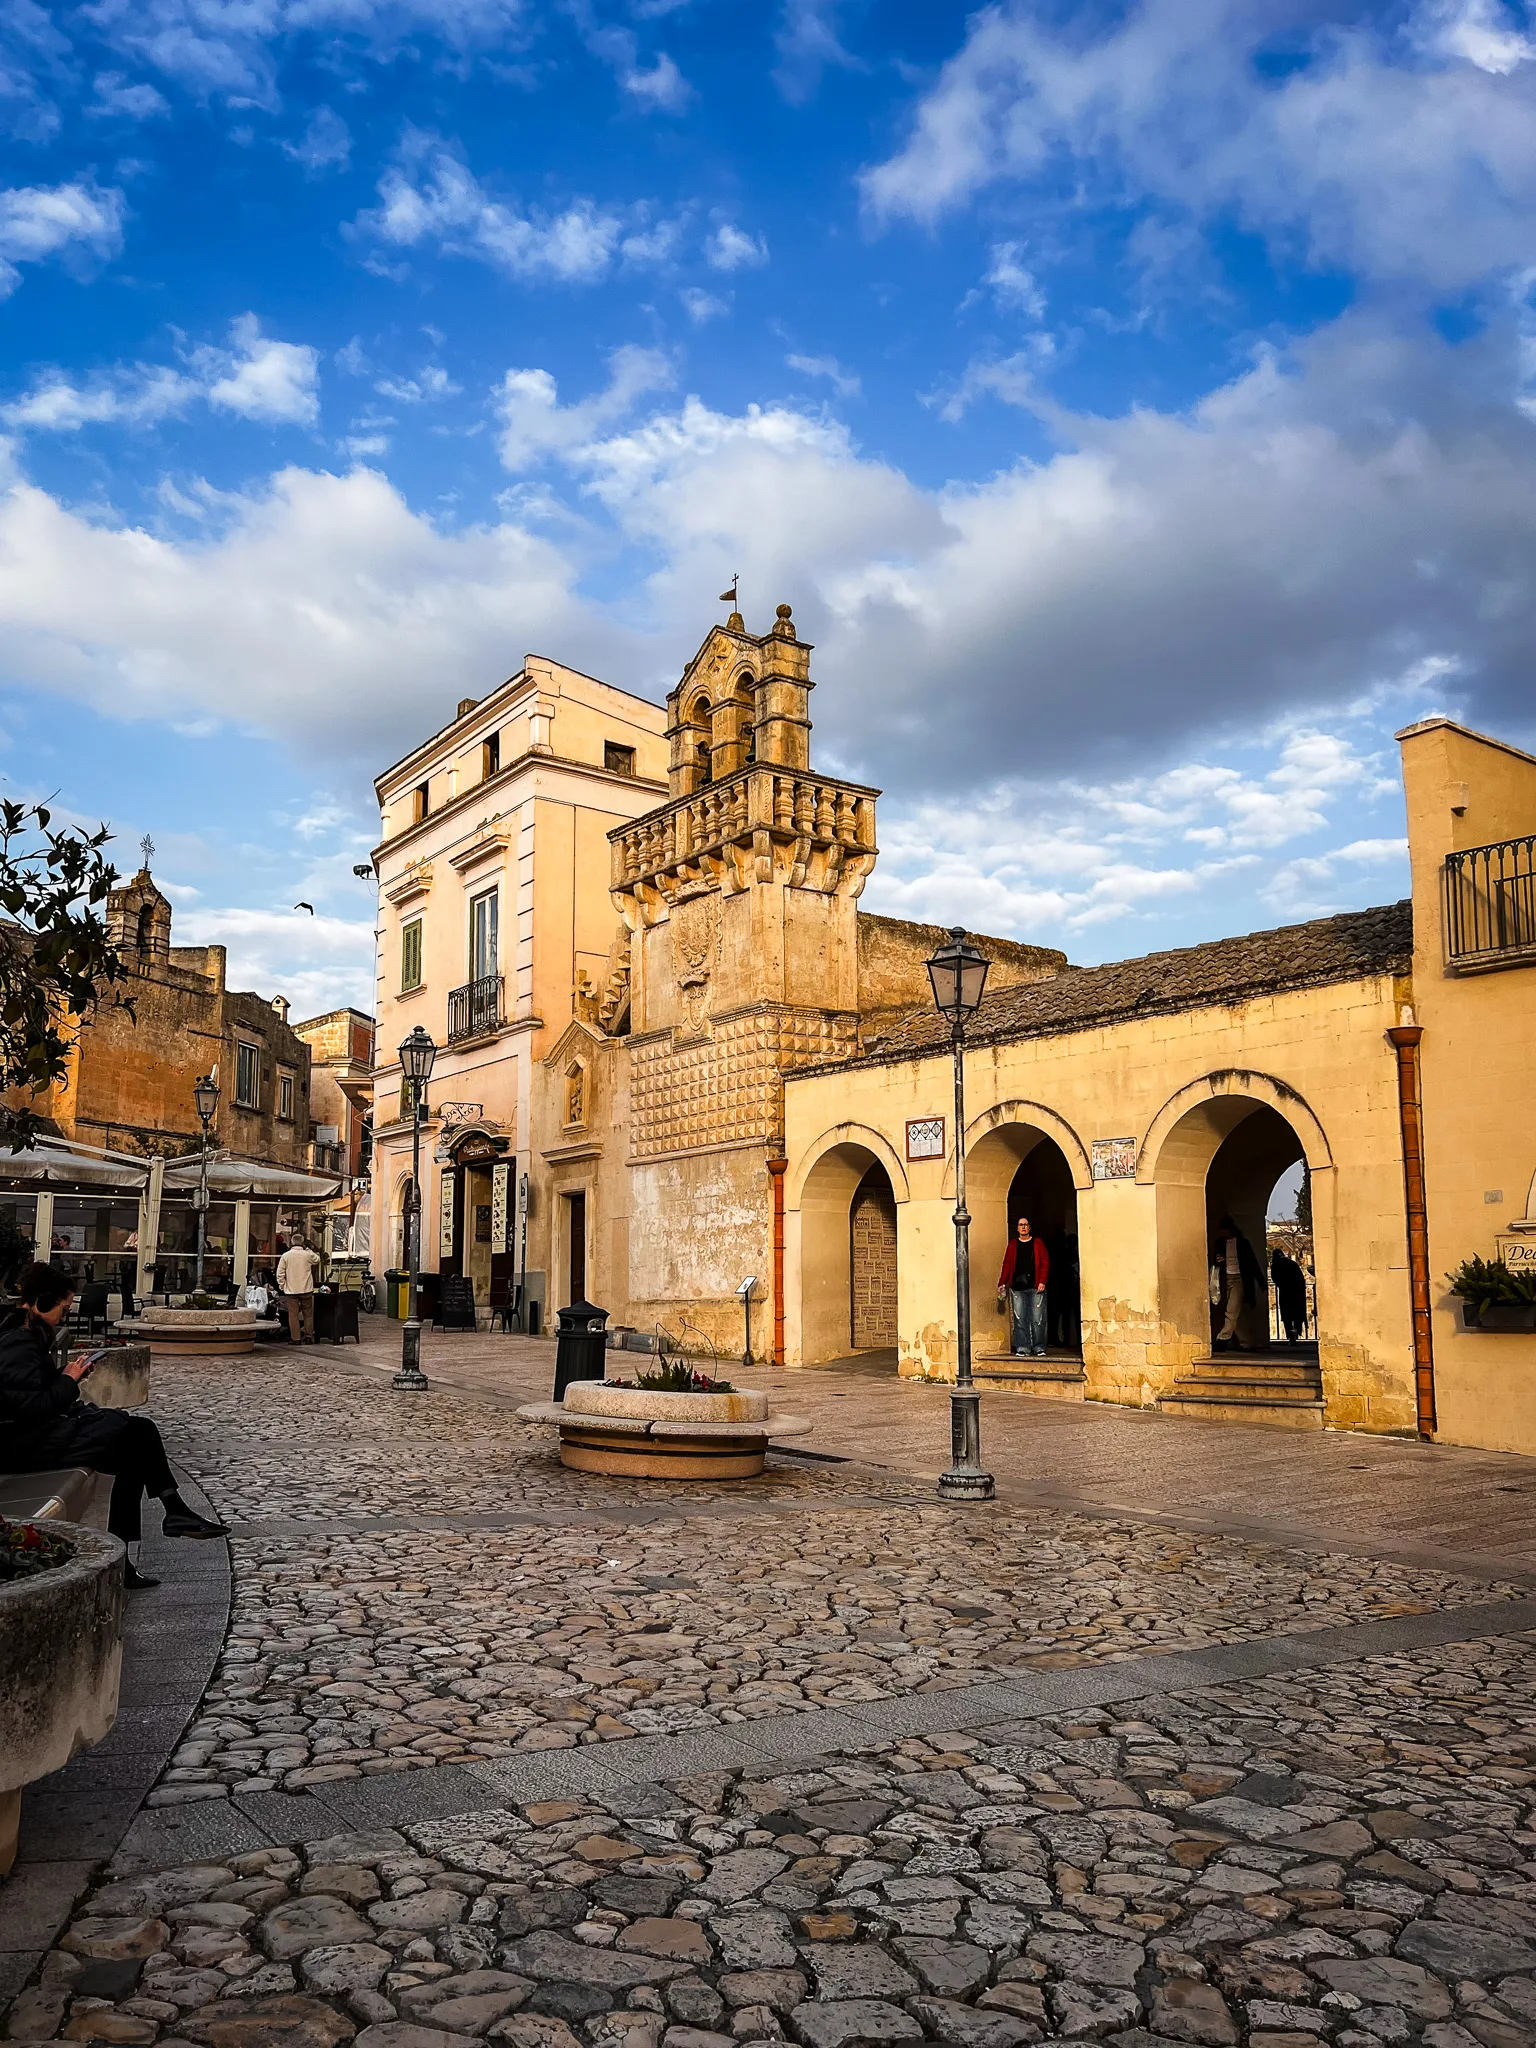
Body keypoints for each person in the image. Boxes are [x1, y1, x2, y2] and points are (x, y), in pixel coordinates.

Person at [0, 1262, 226, 1589]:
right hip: (24, 1444)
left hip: (34, 1436)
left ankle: (139, 1548)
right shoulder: (17, 1340)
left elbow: (29, 1393)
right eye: (63, 1308)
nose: (64, 1316)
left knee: (134, 1449)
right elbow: (31, 1407)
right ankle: (171, 1514)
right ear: (42, 1303)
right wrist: (68, 1380)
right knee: (137, 1433)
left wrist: (65, 1376)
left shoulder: (23, 1332)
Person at [997, 1214, 1050, 1358]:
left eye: (1026, 1224)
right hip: (1017, 1287)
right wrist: (1002, 1282)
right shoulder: (1013, 1245)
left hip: (1035, 1285)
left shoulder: (1038, 1243)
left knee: (1037, 1318)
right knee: (1020, 1318)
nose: (1023, 1227)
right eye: (1021, 1225)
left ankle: (1039, 1347)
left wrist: (1042, 1281)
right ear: (1017, 1228)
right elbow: (1007, 1264)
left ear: (1029, 1227)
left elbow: (1045, 1262)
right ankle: (1023, 1347)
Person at [1210, 1214, 1263, 1349]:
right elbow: (1214, 1259)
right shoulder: (1220, 1242)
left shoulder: (1243, 1243)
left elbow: (1252, 1262)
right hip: (1224, 1278)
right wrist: (1218, 1259)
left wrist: (1261, 1281)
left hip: (1239, 1279)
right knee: (1235, 1313)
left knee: (1231, 1310)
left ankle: (1222, 1338)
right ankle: (1247, 1342)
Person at [276, 1235, 321, 1344]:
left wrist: (282, 1285)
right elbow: (317, 1259)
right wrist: (309, 1250)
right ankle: (309, 1336)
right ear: (302, 1242)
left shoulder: (286, 1256)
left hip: (291, 1290)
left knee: (293, 1315)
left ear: (291, 1243)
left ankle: (295, 1338)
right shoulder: (307, 1255)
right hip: (306, 1289)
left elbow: (280, 1273)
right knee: (308, 1314)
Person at [1271, 1245, 1308, 1344]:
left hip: (1285, 1292)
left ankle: (1290, 1335)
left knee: (1286, 1315)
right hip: (1297, 1292)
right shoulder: (1292, 1263)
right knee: (1297, 1314)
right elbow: (1300, 1278)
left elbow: (1275, 1279)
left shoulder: (1275, 1265)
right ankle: (1296, 1331)